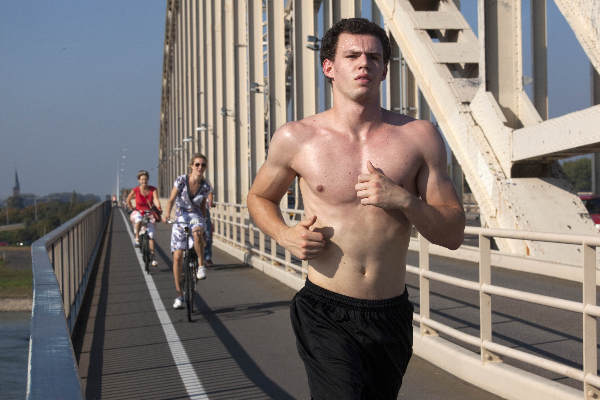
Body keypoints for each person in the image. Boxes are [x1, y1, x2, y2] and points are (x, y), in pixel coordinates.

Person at [247, 18, 465, 399]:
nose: (364, 63)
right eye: (352, 55)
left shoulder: (419, 138)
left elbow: (453, 232)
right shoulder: (296, 138)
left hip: (390, 313)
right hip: (325, 309)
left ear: (384, 68)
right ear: (328, 67)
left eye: (373, 57)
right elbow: (259, 197)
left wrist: (404, 201)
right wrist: (285, 234)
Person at [163, 153, 211, 309]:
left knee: (197, 232)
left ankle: (201, 265)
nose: (200, 168)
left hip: (196, 216)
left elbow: (203, 206)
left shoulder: (205, 186)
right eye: (197, 164)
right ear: (191, 166)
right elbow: (171, 200)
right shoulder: (181, 180)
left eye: (203, 165)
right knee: (177, 257)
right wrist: (166, 214)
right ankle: (179, 295)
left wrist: (204, 222)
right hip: (181, 218)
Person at [126, 170, 162, 267]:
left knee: (150, 235)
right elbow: (128, 199)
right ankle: (137, 237)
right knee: (138, 219)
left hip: (148, 213)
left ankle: (153, 256)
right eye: (142, 179)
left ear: (148, 179)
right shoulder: (136, 190)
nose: (144, 181)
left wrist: (159, 207)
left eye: (145, 179)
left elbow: (156, 199)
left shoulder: (153, 189)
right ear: (139, 180)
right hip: (138, 211)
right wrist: (131, 208)